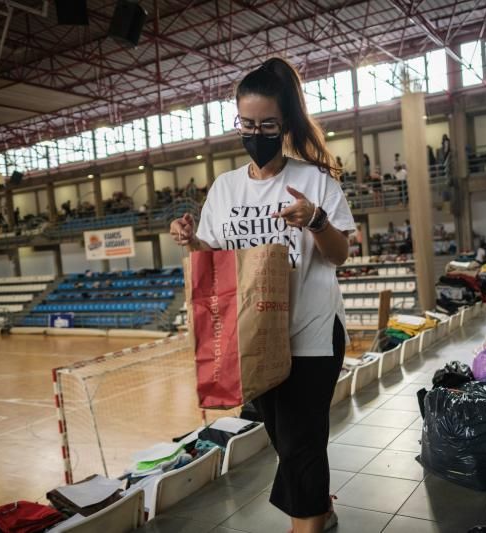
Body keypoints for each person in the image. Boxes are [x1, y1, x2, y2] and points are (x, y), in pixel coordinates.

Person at [169, 57, 354, 533]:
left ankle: (310, 522)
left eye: (266, 124)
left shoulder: (315, 179)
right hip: (254, 336)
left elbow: (340, 255)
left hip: (311, 332)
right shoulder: (225, 189)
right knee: (286, 438)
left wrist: (315, 219)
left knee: (301, 441)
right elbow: (217, 254)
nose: (255, 133)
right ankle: (322, 508)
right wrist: (192, 241)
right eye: (246, 124)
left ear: (285, 123)